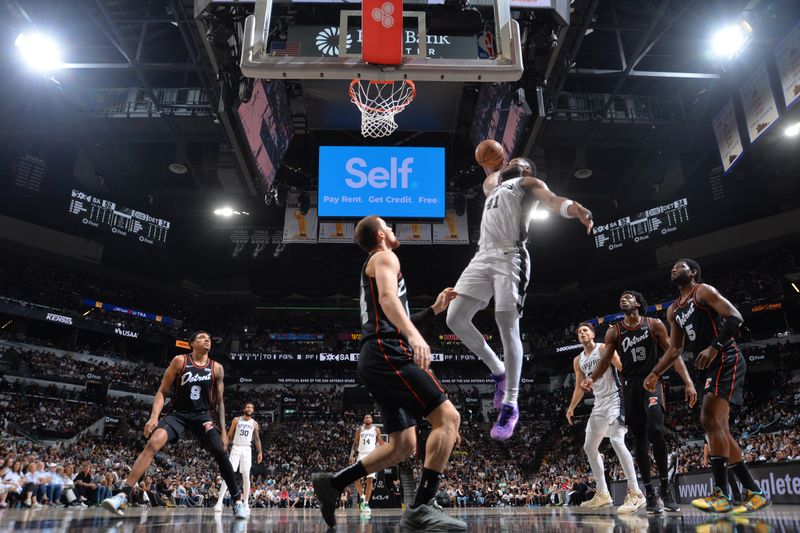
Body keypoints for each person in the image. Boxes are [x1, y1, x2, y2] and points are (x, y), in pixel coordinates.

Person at [312, 215, 465, 530]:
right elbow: (386, 300)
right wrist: (413, 334)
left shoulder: (377, 261)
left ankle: (335, 482)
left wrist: (433, 310)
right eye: (390, 227)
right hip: (387, 352)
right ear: (380, 234)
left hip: (376, 355)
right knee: (448, 418)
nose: (395, 231)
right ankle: (422, 506)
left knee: (404, 445)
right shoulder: (384, 256)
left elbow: (388, 311)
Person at [446, 156, 593, 440]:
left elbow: (551, 200)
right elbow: (490, 178)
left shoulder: (527, 182)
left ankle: (511, 403)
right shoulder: (495, 187)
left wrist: (574, 209)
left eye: (518, 159)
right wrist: (490, 164)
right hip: (482, 255)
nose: (512, 160)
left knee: (505, 321)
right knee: (454, 317)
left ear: (527, 169)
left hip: (510, 255)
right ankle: (498, 370)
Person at [644, 259, 769, 514]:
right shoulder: (673, 310)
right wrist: (655, 373)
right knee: (718, 427)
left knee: (709, 419)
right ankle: (754, 492)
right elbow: (676, 349)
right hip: (707, 367)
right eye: (673, 267)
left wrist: (714, 347)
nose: (674, 268)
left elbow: (734, 317)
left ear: (693, 272)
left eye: (680, 266)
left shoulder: (703, 291)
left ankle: (721, 494)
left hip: (726, 357)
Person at [101, 331, 248, 520]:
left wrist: (224, 432)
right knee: (153, 443)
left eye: (209, 338)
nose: (207, 340)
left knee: (220, 452)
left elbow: (219, 403)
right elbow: (162, 391)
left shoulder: (217, 368)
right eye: (202, 338)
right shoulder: (180, 361)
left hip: (202, 416)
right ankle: (122, 495)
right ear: (191, 344)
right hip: (179, 414)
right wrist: (154, 417)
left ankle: (237, 501)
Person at [581, 290, 697, 514]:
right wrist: (591, 378)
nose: (623, 299)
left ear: (638, 303)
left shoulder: (653, 324)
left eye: (628, 297)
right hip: (630, 387)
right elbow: (605, 361)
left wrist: (688, 382)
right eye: (620, 297)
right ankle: (649, 494)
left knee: (655, 429)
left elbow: (673, 352)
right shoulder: (614, 331)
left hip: (652, 382)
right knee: (639, 439)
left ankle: (665, 487)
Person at [566, 322, 645, 513]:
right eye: (579, 331)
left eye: (585, 330)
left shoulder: (603, 348)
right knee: (589, 446)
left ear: (593, 334)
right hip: (599, 403)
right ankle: (602, 493)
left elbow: (621, 367)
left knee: (617, 440)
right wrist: (571, 407)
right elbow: (579, 387)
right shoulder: (578, 360)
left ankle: (636, 492)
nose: (582, 332)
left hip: (617, 398)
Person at [214, 402, 263, 511]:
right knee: (228, 473)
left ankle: (245, 503)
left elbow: (257, 439)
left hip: (247, 449)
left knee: (246, 475)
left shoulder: (254, 423)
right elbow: (230, 434)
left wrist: (260, 452)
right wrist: (225, 445)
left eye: (251, 407)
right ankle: (219, 502)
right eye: (248, 407)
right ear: (244, 408)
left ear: (253, 410)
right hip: (236, 447)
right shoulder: (237, 420)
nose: (249, 408)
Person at [349, 413, 384, 514]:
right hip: (361, 455)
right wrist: (351, 455)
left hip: (371, 455)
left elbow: (381, 442)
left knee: (369, 480)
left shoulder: (376, 429)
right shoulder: (359, 429)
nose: (368, 418)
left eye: (369, 417)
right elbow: (355, 444)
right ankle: (362, 497)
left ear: (372, 420)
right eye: (366, 417)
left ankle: (366, 503)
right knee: (356, 478)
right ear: (363, 419)